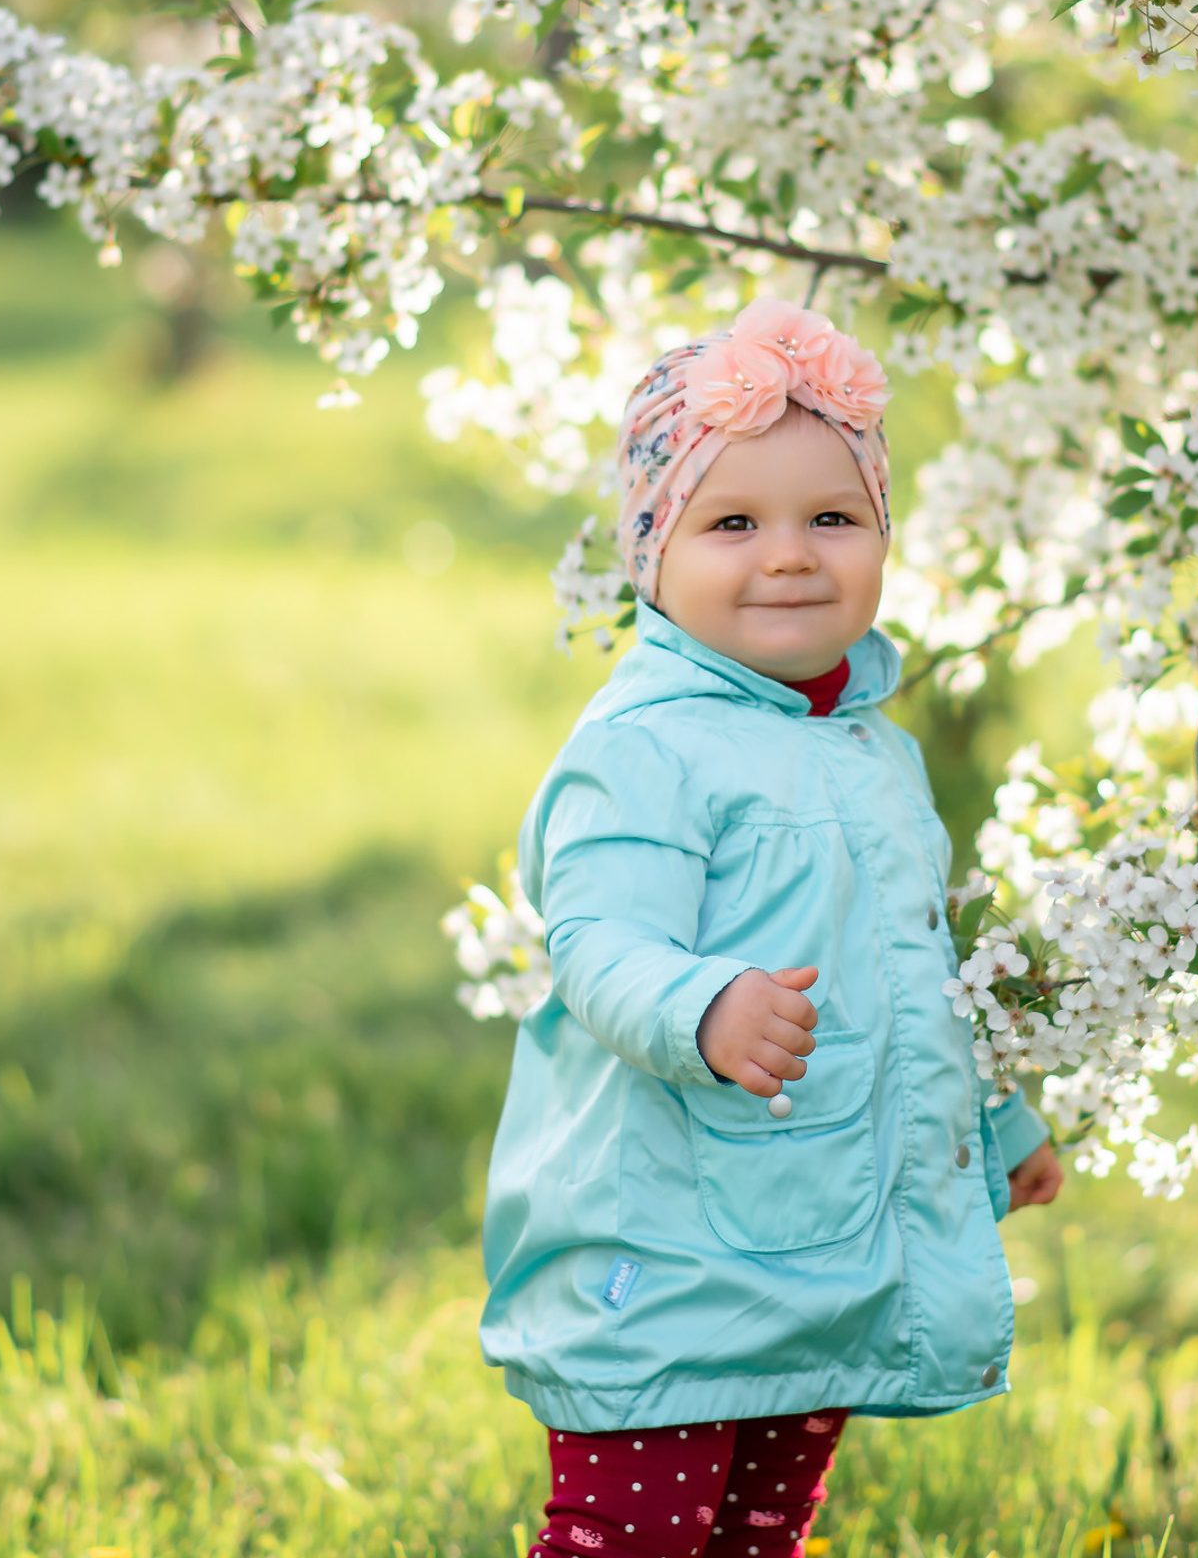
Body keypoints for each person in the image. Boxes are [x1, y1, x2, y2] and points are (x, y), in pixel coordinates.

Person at [481, 296, 1064, 1558]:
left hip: (806, 1240)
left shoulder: (872, 750)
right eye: (734, 522)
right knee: (631, 1539)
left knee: (761, 1532)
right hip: (667, 1248)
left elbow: (913, 977)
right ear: (653, 551)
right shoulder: (646, 749)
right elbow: (599, 946)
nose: (790, 555)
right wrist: (702, 1004)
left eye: (833, 519)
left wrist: (990, 1124)